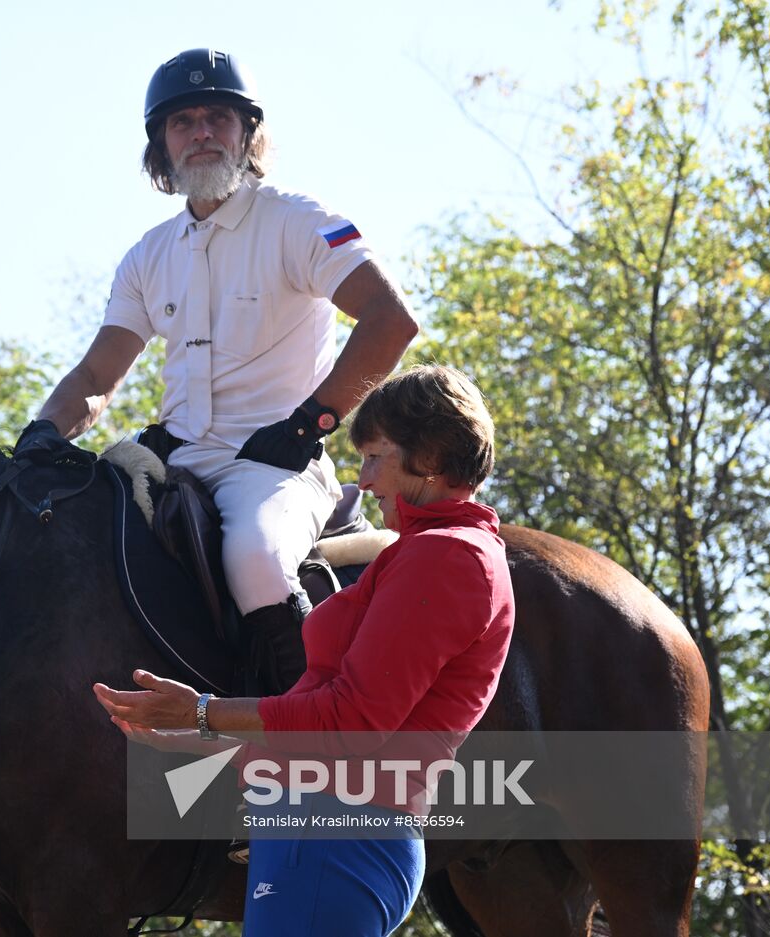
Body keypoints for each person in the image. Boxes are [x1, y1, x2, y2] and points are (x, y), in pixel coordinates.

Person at [12, 48, 419, 694]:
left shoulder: (297, 219)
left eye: (217, 118)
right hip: (174, 463)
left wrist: (312, 420)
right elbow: (97, 372)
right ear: (161, 148)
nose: (201, 132)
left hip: (275, 465)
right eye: (182, 122)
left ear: (248, 133)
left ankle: (305, 747)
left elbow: (389, 319)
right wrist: (43, 433)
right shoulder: (147, 256)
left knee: (254, 560)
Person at [93, 365, 516, 936]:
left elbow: (349, 722)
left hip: (335, 838)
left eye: (375, 457)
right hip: (318, 836)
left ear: (433, 457)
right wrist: (188, 736)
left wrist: (204, 711)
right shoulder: (425, 552)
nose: (362, 481)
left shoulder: (447, 556)